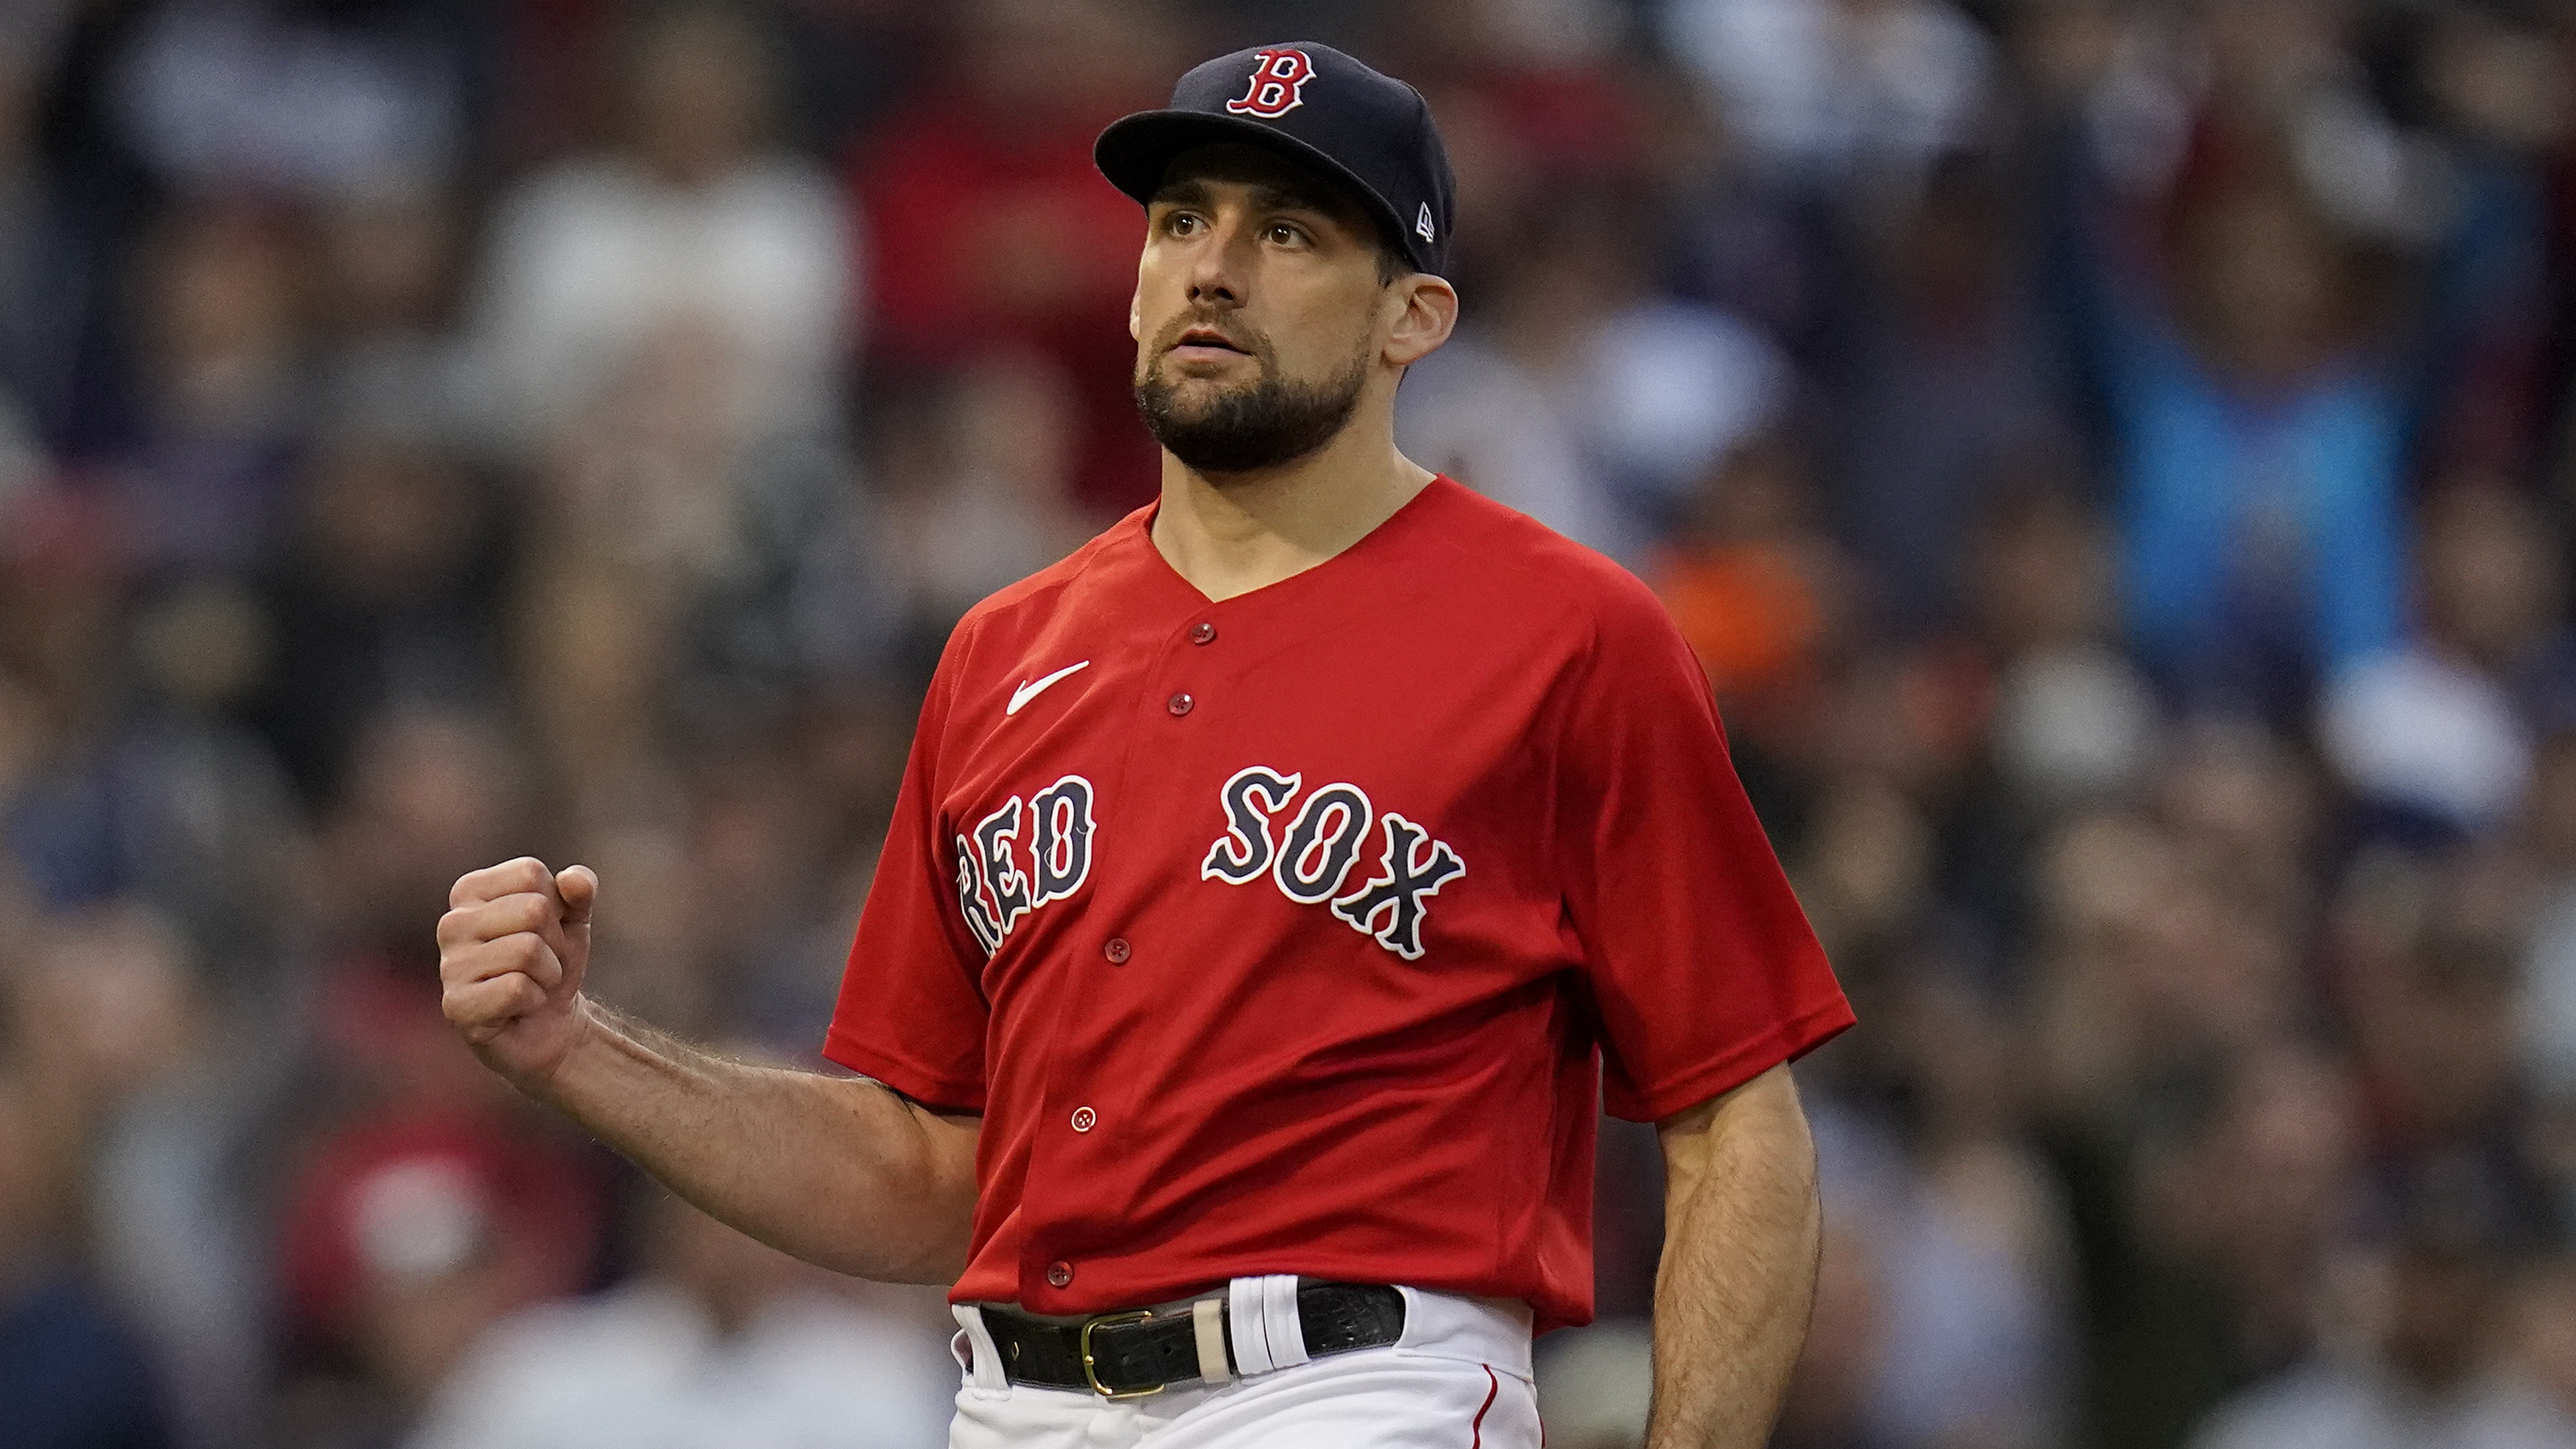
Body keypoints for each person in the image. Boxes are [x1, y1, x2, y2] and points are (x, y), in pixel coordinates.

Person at [436, 42, 1852, 1448]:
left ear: (1413, 318)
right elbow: (929, 1174)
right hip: (1015, 1404)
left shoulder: (1569, 633)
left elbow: (1738, 1121)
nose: (1213, 267)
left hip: (1358, 1384)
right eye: (1182, 221)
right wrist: (581, 1051)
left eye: (1288, 231)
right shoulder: (1004, 652)